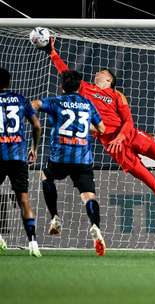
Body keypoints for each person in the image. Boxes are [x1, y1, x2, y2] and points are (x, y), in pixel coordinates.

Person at [39, 38, 155, 210]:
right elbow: (65, 73)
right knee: (150, 181)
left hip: (131, 136)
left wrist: (120, 137)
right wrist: (52, 53)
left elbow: (128, 121)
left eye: (102, 72)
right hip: (115, 148)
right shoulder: (86, 89)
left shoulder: (117, 94)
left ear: (109, 80)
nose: (97, 73)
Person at [31, 70, 107, 256]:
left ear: (62, 86)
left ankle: (55, 217)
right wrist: (83, 128)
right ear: (80, 87)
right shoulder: (87, 103)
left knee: (46, 176)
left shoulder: (56, 101)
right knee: (89, 196)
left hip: (60, 157)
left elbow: (35, 104)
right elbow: (102, 129)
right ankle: (95, 226)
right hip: (83, 159)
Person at [0, 67, 42, 257]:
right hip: (18, 157)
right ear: (9, 82)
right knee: (24, 199)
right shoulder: (20, 99)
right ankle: (33, 243)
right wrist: (34, 148)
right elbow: (36, 125)